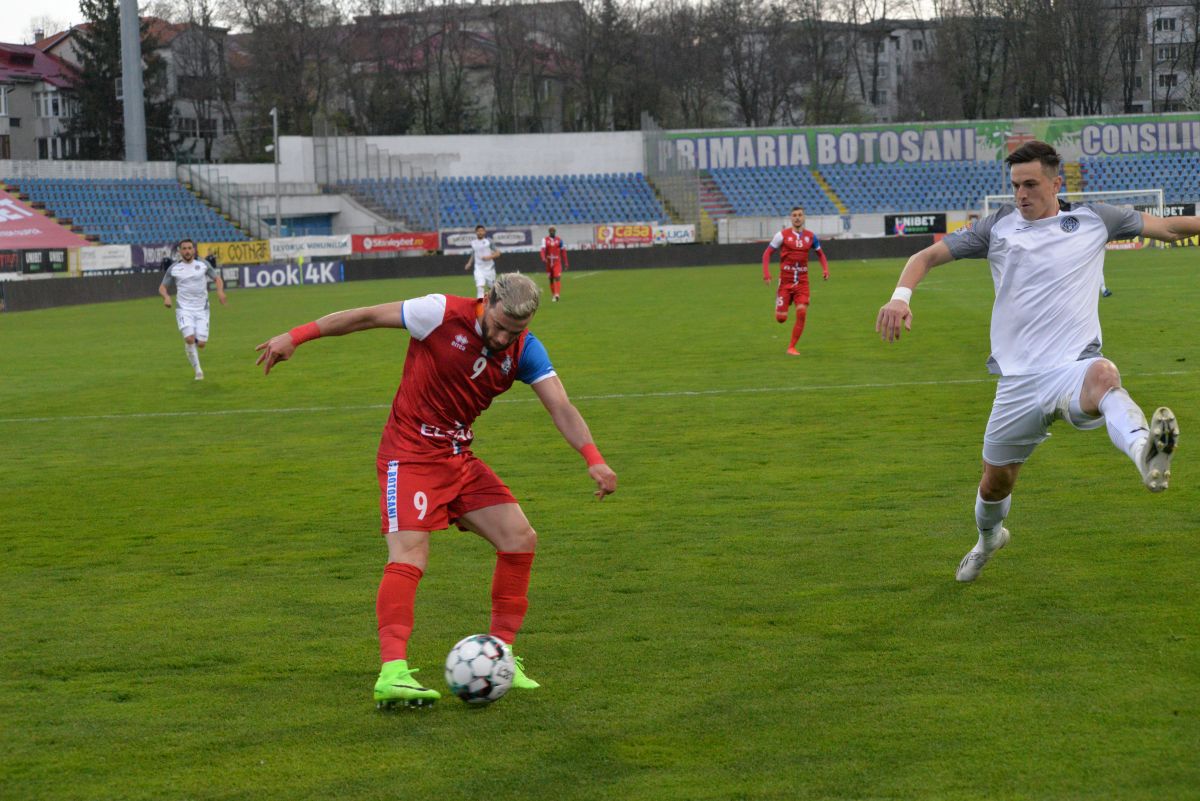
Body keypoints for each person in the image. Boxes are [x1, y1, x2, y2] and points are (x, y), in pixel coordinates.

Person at [255, 272, 618, 709]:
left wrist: (593, 457)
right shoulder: (439, 312)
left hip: (456, 457)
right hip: (408, 454)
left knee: (520, 538)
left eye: (514, 331)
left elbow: (561, 404)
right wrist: (296, 335)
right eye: (499, 325)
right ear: (486, 301)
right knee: (410, 555)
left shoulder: (525, 349)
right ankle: (392, 673)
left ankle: (501, 655)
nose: (503, 337)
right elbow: (366, 316)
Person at [875, 140, 1195, 583]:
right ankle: (989, 539)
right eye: (1014, 186)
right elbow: (924, 257)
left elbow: (1172, 227)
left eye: (1030, 184)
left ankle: (1147, 454)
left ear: (1055, 183)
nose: (1020, 194)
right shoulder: (997, 227)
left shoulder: (1095, 219)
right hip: (1018, 382)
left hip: (1072, 367)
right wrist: (899, 297)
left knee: (1105, 376)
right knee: (995, 483)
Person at [762, 206, 829, 355]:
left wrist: (825, 269)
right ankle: (780, 305)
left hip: (802, 283)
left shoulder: (811, 237)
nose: (797, 217)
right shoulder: (781, 235)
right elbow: (767, 254)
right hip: (785, 283)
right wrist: (766, 274)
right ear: (790, 218)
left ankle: (791, 347)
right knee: (781, 318)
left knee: (802, 312)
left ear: (804, 217)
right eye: (794, 215)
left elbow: (821, 254)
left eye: (800, 215)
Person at [159, 238, 227, 380]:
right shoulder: (174, 268)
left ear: (194, 249)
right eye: (184, 248)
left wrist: (220, 291)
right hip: (184, 309)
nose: (187, 251)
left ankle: (191, 344)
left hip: (202, 309)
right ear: (180, 251)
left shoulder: (202, 264)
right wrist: (166, 297)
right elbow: (162, 287)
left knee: (201, 344)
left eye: (190, 248)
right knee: (190, 338)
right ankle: (198, 370)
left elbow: (217, 279)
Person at [464, 224, 500, 299]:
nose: (480, 232)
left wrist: (489, 257)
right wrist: (469, 263)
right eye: (478, 231)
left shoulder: (488, 241)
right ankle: (479, 306)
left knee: (492, 288)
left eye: (482, 231)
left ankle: (493, 303)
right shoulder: (473, 243)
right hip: (478, 268)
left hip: (489, 268)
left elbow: (498, 253)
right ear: (476, 232)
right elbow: (473, 253)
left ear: (485, 232)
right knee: (480, 287)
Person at [540, 226, 569, 302]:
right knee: (551, 279)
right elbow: (542, 250)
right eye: (550, 231)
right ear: (549, 232)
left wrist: (566, 263)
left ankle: (557, 294)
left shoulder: (559, 240)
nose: (552, 232)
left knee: (557, 277)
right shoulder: (545, 240)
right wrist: (543, 258)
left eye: (553, 230)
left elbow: (563, 252)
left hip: (557, 261)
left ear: (555, 231)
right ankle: (553, 295)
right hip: (549, 262)